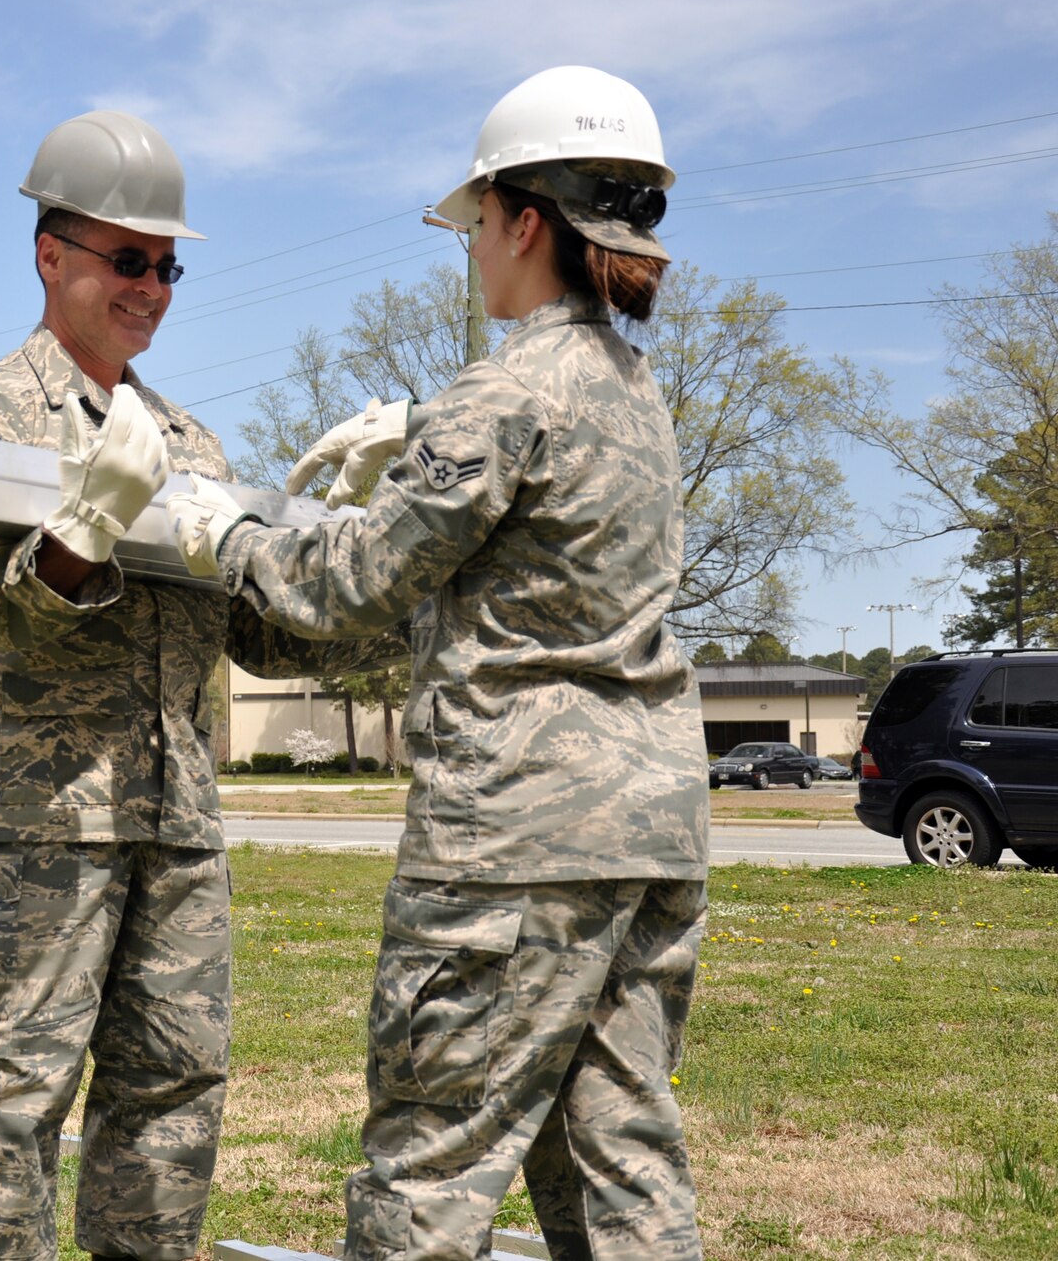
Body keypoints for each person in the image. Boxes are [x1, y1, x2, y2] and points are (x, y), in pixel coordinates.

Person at [168, 66, 710, 1261]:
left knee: (430, 1160)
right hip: (649, 832)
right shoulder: (637, 393)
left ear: (524, 221)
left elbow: (348, 580)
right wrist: (416, 431)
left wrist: (227, 536)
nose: (469, 253)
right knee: (623, 1159)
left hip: (511, 842)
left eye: (474, 225)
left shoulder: (505, 389)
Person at [0, 109, 402, 1261]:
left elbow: (263, 639)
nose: (149, 286)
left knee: (172, 1109)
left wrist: (365, 548)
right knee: (5, 1112)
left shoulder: (193, 444)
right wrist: (78, 530)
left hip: (176, 829)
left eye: (166, 265)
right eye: (124, 259)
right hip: (31, 831)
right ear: (50, 254)